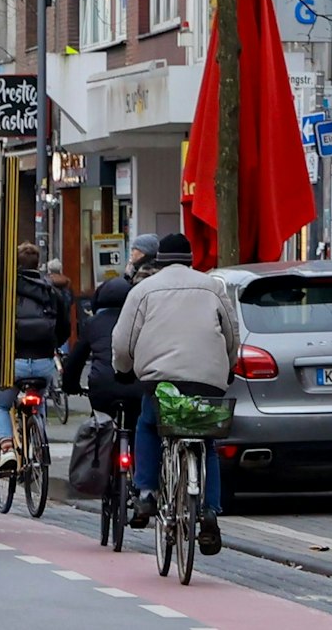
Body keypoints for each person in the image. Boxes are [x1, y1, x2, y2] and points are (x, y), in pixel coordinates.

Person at [112, 232, 238, 556]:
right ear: (191, 259)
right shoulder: (214, 287)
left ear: (159, 261)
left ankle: (146, 492)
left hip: (161, 382)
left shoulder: (143, 290)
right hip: (207, 380)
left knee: (148, 425)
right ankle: (209, 511)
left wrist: (123, 370)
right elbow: (231, 335)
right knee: (206, 441)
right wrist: (227, 367)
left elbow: (123, 341)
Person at [0, 243, 70, 474]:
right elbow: (64, 328)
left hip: (14, 363)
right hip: (44, 363)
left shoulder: (7, 290)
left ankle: (6, 448)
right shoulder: (51, 291)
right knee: (40, 398)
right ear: (38, 264)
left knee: (0, 404)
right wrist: (52, 346)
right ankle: (38, 441)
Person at [63, 276, 151, 422]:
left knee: (100, 425)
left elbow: (76, 360)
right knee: (140, 426)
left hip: (102, 387)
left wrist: (70, 385)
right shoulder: (140, 320)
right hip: (136, 386)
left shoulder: (93, 323)